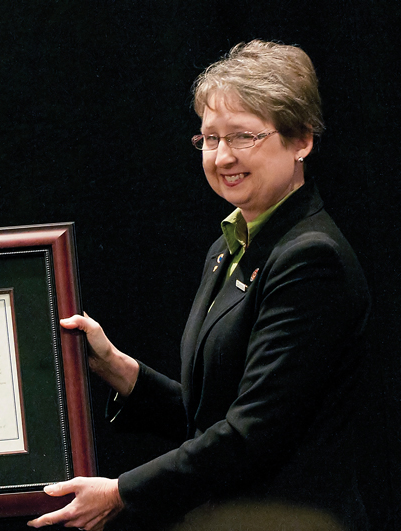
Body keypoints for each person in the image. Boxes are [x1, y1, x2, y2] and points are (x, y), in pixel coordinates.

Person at [28, 40, 370, 531]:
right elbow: (209, 418)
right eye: (210, 139)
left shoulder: (311, 258)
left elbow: (250, 435)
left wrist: (122, 493)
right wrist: (118, 369)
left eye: (243, 136)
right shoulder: (229, 246)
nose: (223, 156)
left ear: (302, 140)